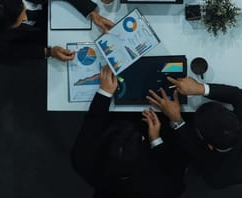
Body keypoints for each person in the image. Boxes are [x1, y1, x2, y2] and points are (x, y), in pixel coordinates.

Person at [71, 66, 186, 198]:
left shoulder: (83, 160)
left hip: (115, 118)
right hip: (157, 130)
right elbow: (176, 164)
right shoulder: (164, 188)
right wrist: (156, 139)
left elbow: (93, 122)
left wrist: (105, 92)